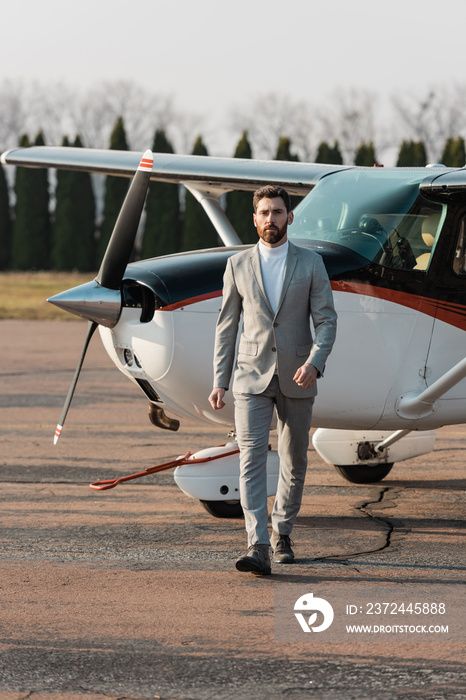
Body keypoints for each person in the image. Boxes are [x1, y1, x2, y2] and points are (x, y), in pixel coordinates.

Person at [208, 185, 337, 575]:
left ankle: (282, 532)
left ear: (289, 217)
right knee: (250, 459)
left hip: (299, 375)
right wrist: (220, 380)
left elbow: (327, 320)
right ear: (255, 218)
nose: (270, 219)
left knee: (294, 460)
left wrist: (315, 361)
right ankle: (257, 543)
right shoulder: (238, 265)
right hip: (250, 377)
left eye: (277, 212)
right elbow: (226, 327)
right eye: (264, 212)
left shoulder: (311, 263)